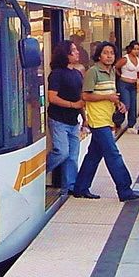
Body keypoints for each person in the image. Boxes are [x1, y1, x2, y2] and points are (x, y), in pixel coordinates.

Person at [71, 41, 139, 203]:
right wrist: (108, 97)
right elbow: (85, 96)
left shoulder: (111, 72)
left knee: (93, 155)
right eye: (105, 53)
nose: (109, 56)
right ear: (99, 55)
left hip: (107, 117)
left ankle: (80, 188)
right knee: (113, 154)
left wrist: (118, 103)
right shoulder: (93, 72)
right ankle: (125, 190)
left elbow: (110, 94)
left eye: (111, 53)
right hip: (98, 120)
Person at [46, 41, 85, 198]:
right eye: (73, 50)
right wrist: (72, 105)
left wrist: (84, 117)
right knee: (62, 152)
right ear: (65, 54)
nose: (77, 52)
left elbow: (80, 98)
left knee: (72, 156)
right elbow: (52, 97)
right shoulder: (56, 74)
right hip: (58, 119)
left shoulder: (77, 74)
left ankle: (69, 187)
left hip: (73, 121)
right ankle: (39, 173)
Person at [115, 40, 139, 131]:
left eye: (138, 49)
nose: (136, 51)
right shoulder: (125, 59)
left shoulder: (138, 59)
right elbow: (115, 67)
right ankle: (117, 120)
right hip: (124, 84)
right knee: (126, 104)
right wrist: (120, 75)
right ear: (130, 49)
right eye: (134, 49)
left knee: (133, 105)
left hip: (133, 84)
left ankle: (131, 124)